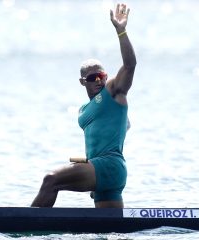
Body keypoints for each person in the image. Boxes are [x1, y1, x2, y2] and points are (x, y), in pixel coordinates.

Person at [31, 3, 136, 208]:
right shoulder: (83, 110)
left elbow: (130, 65)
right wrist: (88, 167)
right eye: (92, 77)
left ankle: (21, 228)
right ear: (82, 81)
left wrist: (121, 31)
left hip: (109, 166)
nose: (98, 80)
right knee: (110, 231)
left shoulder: (113, 92)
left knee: (51, 180)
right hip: (100, 172)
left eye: (102, 76)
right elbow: (120, 127)